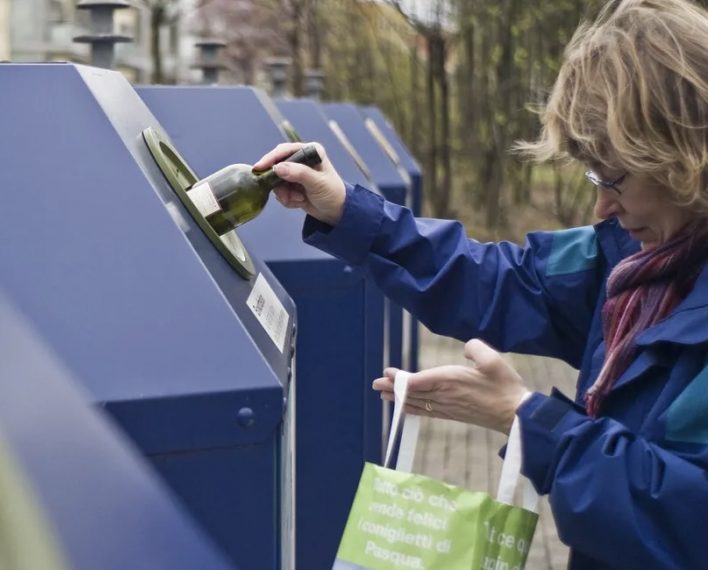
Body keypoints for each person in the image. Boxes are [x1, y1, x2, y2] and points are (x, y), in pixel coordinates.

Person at [254, 1, 708, 568]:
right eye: (594, 177)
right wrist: (349, 211)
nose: (600, 205)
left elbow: (687, 517)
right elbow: (502, 280)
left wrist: (527, 418)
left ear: (683, 157)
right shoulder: (630, 260)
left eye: (614, 178)